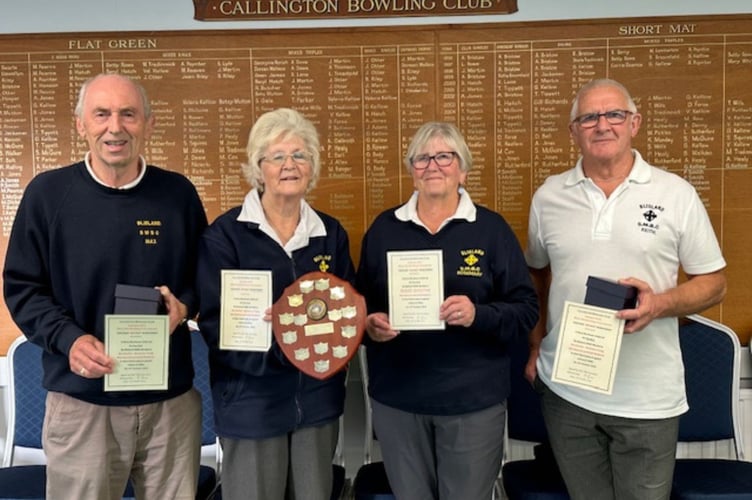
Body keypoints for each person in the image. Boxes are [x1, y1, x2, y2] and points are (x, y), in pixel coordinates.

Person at [2, 73, 208, 499]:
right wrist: (69, 340)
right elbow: (23, 286)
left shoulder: (178, 194)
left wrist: (184, 306)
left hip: (169, 405)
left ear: (148, 124)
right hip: (82, 406)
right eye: (102, 114)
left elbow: (203, 279)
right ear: (81, 124)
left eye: (128, 114)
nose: (115, 127)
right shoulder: (48, 194)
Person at [525, 78, 727, 500]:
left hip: (647, 399)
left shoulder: (676, 194)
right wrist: (535, 346)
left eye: (614, 114)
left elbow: (714, 283)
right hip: (568, 392)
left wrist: (659, 303)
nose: (602, 125)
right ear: (573, 131)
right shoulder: (548, 197)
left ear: (634, 123)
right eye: (588, 117)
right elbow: (538, 276)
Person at [356, 121, 539, 500]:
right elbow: (360, 306)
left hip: (472, 403)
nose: (432, 166)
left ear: (463, 170)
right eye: (422, 158)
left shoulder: (491, 229)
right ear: (411, 172)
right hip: (399, 401)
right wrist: (370, 326)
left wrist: (478, 314)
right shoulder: (384, 230)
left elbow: (525, 310)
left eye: (444, 156)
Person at [196, 107, 355, 500]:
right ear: (258, 167)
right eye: (277, 156)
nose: (290, 165)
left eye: (300, 155)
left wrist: (317, 340)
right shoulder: (225, 237)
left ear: (312, 166)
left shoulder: (329, 234)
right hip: (251, 403)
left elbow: (347, 311)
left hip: (316, 403)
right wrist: (289, 348)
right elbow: (218, 326)